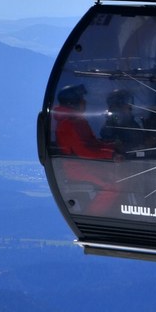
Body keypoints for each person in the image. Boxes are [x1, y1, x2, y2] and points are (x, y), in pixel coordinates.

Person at [51, 84, 119, 215]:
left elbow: (93, 143)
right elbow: (83, 151)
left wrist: (112, 146)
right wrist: (112, 155)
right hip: (77, 168)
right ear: (73, 103)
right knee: (112, 186)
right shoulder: (68, 124)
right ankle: (96, 216)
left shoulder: (78, 121)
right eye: (81, 99)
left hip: (85, 164)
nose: (85, 102)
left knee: (119, 177)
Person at [100, 88, 146, 156]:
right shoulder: (110, 126)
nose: (130, 107)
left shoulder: (132, 122)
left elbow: (139, 141)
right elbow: (115, 147)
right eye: (127, 103)